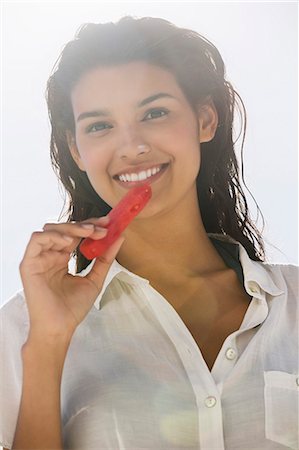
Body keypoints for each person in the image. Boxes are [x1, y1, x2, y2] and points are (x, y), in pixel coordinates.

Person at [0, 16, 298, 450]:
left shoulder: (293, 303)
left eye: (154, 112)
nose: (133, 145)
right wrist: (47, 344)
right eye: (100, 125)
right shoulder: (20, 330)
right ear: (76, 149)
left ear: (205, 121)